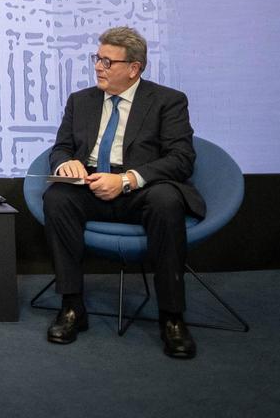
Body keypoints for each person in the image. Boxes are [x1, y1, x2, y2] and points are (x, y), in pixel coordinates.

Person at [43, 26, 205, 359]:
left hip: (141, 190)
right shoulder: (81, 101)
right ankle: (72, 306)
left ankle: (172, 317)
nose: (98, 67)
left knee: (167, 200)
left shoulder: (168, 101)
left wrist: (128, 179)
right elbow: (60, 147)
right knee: (57, 197)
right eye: (97, 59)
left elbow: (181, 159)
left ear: (134, 68)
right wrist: (68, 163)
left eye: (107, 61)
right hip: (91, 186)